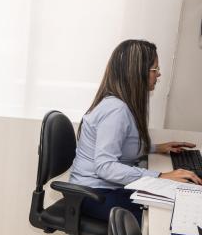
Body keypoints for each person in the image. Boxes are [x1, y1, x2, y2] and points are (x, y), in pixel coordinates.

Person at [69, 39, 201, 224]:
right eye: (155, 69)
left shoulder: (124, 105)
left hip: (105, 188)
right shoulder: (116, 110)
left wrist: (156, 148)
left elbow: (123, 145)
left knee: (177, 205)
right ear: (137, 72)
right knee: (162, 218)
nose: (159, 74)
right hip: (92, 194)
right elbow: (105, 167)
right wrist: (161, 176)